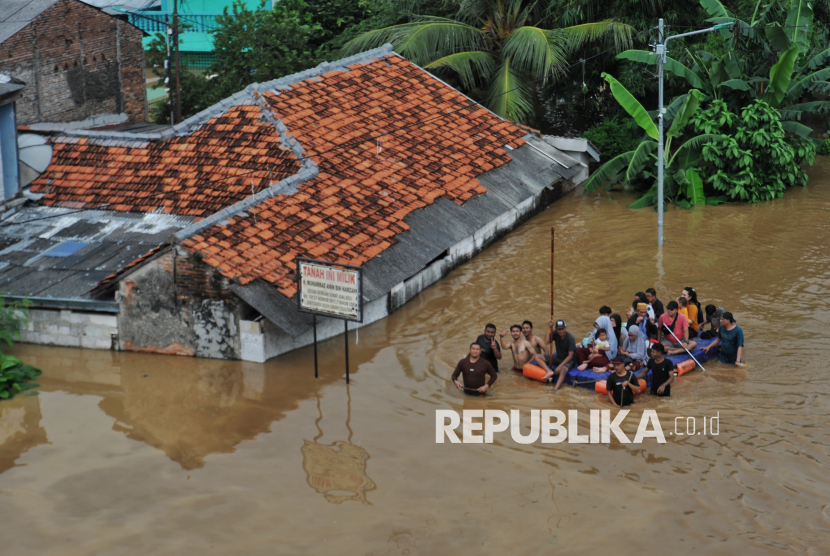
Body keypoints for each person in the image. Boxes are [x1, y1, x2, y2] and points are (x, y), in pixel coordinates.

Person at [531, 319, 575, 389]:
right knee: (537, 356)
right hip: (558, 357)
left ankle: (555, 389)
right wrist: (549, 327)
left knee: (562, 370)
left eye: (562, 329)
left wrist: (560, 367)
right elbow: (546, 342)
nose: (560, 331)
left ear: (565, 328)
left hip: (568, 360)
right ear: (556, 329)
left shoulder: (570, 337)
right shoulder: (555, 333)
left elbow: (570, 356)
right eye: (558, 329)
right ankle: (549, 371)